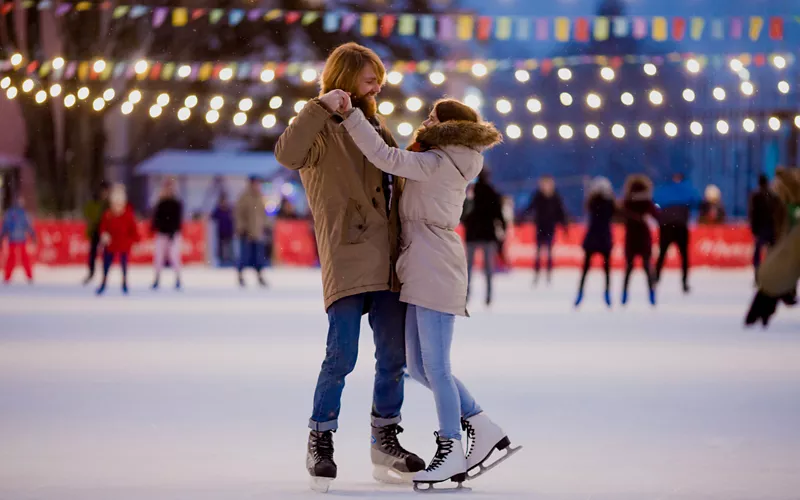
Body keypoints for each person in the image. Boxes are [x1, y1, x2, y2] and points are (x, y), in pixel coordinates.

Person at [341, 96, 518, 491]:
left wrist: (352, 115)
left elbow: (383, 156)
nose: (425, 120)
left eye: (433, 118)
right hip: (423, 264)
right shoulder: (441, 157)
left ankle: (451, 446)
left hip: (434, 266)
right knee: (418, 366)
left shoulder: (437, 162)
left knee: (436, 366)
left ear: (448, 128)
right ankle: (482, 426)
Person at [274, 42, 424, 492]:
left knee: (393, 356)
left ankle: (385, 438)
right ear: (344, 77)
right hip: (347, 251)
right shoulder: (318, 128)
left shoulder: (375, 123)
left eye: (378, 77)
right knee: (342, 355)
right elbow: (287, 153)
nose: (378, 85)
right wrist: (318, 107)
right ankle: (321, 437)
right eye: (370, 77)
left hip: (388, 257)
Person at [745, 168, 800, 327]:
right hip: (784, 240)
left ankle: (777, 297)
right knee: (777, 271)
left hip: (785, 241)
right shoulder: (784, 203)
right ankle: (776, 298)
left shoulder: (785, 201)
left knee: (779, 270)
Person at [463, 170, 506, 306]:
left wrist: (468, 222)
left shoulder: (471, 192)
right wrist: (503, 230)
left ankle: (466, 295)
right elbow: (498, 214)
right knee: (488, 269)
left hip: (472, 234)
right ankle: (488, 296)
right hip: (488, 235)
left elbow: (463, 213)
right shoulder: (492, 192)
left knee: (468, 268)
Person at [653, 172, 701, 293]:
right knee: (684, 256)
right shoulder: (687, 189)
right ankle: (684, 283)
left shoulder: (663, 189)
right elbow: (697, 201)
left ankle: (655, 280)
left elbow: (655, 202)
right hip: (680, 225)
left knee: (662, 254)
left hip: (666, 225)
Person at [575, 177, 616, 308]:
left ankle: (581, 293)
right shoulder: (608, 203)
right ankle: (606, 294)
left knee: (586, 269)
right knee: (606, 270)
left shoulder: (592, 202)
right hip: (603, 238)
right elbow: (615, 212)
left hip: (593, 238)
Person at [521, 175, 568, 285]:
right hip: (540, 227)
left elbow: (560, 212)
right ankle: (537, 274)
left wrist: (564, 225)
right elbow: (530, 207)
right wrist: (522, 217)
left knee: (549, 253)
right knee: (538, 252)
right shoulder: (538, 196)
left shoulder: (555, 197)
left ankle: (548, 274)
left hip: (550, 227)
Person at [620, 174, 658, 306]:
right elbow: (657, 215)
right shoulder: (647, 201)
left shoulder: (627, 201)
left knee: (629, 267)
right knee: (647, 266)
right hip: (643, 236)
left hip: (631, 236)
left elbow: (620, 215)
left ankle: (624, 294)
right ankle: (652, 293)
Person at [96, 184, 139, 295]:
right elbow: (103, 227)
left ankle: (124, 282)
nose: (117, 207)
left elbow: (133, 229)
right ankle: (104, 282)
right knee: (106, 264)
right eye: (115, 204)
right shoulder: (108, 215)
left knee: (124, 264)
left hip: (124, 244)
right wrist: (104, 235)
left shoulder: (128, 215)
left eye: (119, 204)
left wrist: (135, 240)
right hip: (111, 245)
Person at [235, 176, 268, 288]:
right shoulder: (244, 197)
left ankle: (260, 276)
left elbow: (263, 214)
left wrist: (266, 226)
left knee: (258, 256)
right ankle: (240, 275)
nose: (257, 186)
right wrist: (241, 227)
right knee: (245, 256)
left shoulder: (260, 197)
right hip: (246, 232)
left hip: (258, 232)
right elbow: (239, 214)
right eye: (255, 183)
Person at [150, 178, 184, 290]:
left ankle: (178, 278)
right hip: (162, 233)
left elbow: (177, 220)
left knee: (174, 257)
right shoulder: (160, 203)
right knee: (159, 257)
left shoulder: (176, 203)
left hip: (173, 234)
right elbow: (156, 219)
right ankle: (157, 278)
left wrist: (173, 232)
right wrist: (156, 227)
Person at [749, 174, 778, 278]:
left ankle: (758, 273)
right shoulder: (772, 196)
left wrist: (754, 229)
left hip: (762, 229)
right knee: (773, 252)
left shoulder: (756, 196)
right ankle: (772, 272)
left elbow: (753, 214)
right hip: (771, 228)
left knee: (758, 252)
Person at [1, 195, 35, 284]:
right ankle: (29, 276)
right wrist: (33, 236)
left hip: (13, 239)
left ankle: (7, 277)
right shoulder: (22, 213)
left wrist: (2, 236)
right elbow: (28, 226)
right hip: (20, 239)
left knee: (12, 258)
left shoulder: (10, 213)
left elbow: (5, 227)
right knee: (23, 258)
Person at [82, 181, 110, 285]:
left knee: (106, 253)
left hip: (105, 231)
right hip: (95, 230)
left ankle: (104, 273)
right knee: (93, 253)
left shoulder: (108, 203)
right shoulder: (95, 202)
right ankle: (91, 272)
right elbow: (89, 213)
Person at [210, 194, 234, 265]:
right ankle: (221, 261)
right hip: (221, 233)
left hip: (229, 232)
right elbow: (212, 217)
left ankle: (230, 261)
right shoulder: (218, 210)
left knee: (229, 248)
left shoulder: (230, 209)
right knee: (221, 248)